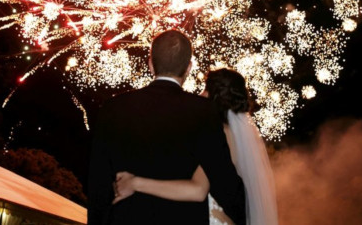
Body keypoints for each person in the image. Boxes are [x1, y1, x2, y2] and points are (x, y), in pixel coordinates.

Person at [87, 30, 246, 225]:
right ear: (188, 68)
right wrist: (242, 214)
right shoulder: (204, 112)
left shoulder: (114, 107)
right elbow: (224, 182)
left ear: (150, 64)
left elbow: (98, 185)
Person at [112, 68, 278, 225]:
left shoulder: (222, 133)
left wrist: (134, 183)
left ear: (213, 96)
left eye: (204, 89)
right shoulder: (231, 134)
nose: (200, 94)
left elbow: (197, 190)